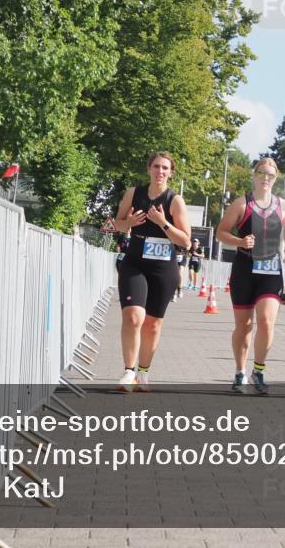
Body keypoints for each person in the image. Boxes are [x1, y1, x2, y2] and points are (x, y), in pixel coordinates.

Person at [216, 157, 285, 394]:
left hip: (271, 269)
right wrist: (240, 241)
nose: (265, 178)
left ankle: (258, 371)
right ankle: (240, 372)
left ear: (275, 179)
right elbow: (221, 232)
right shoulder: (242, 204)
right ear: (255, 175)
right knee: (244, 326)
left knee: (266, 321)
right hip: (244, 268)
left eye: (270, 175)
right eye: (262, 173)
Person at [113, 152, 191, 391]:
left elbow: (186, 241)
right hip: (135, 262)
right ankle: (128, 371)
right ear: (148, 169)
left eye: (165, 168)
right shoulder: (133, 193)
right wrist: (130, 224)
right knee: (133, 316)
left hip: (163, 268)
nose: (160, 171)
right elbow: (117, 223)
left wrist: (162, 223)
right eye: (156, 166)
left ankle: (143, 373)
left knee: (153, 324)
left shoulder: (174, 200)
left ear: (171, 172)